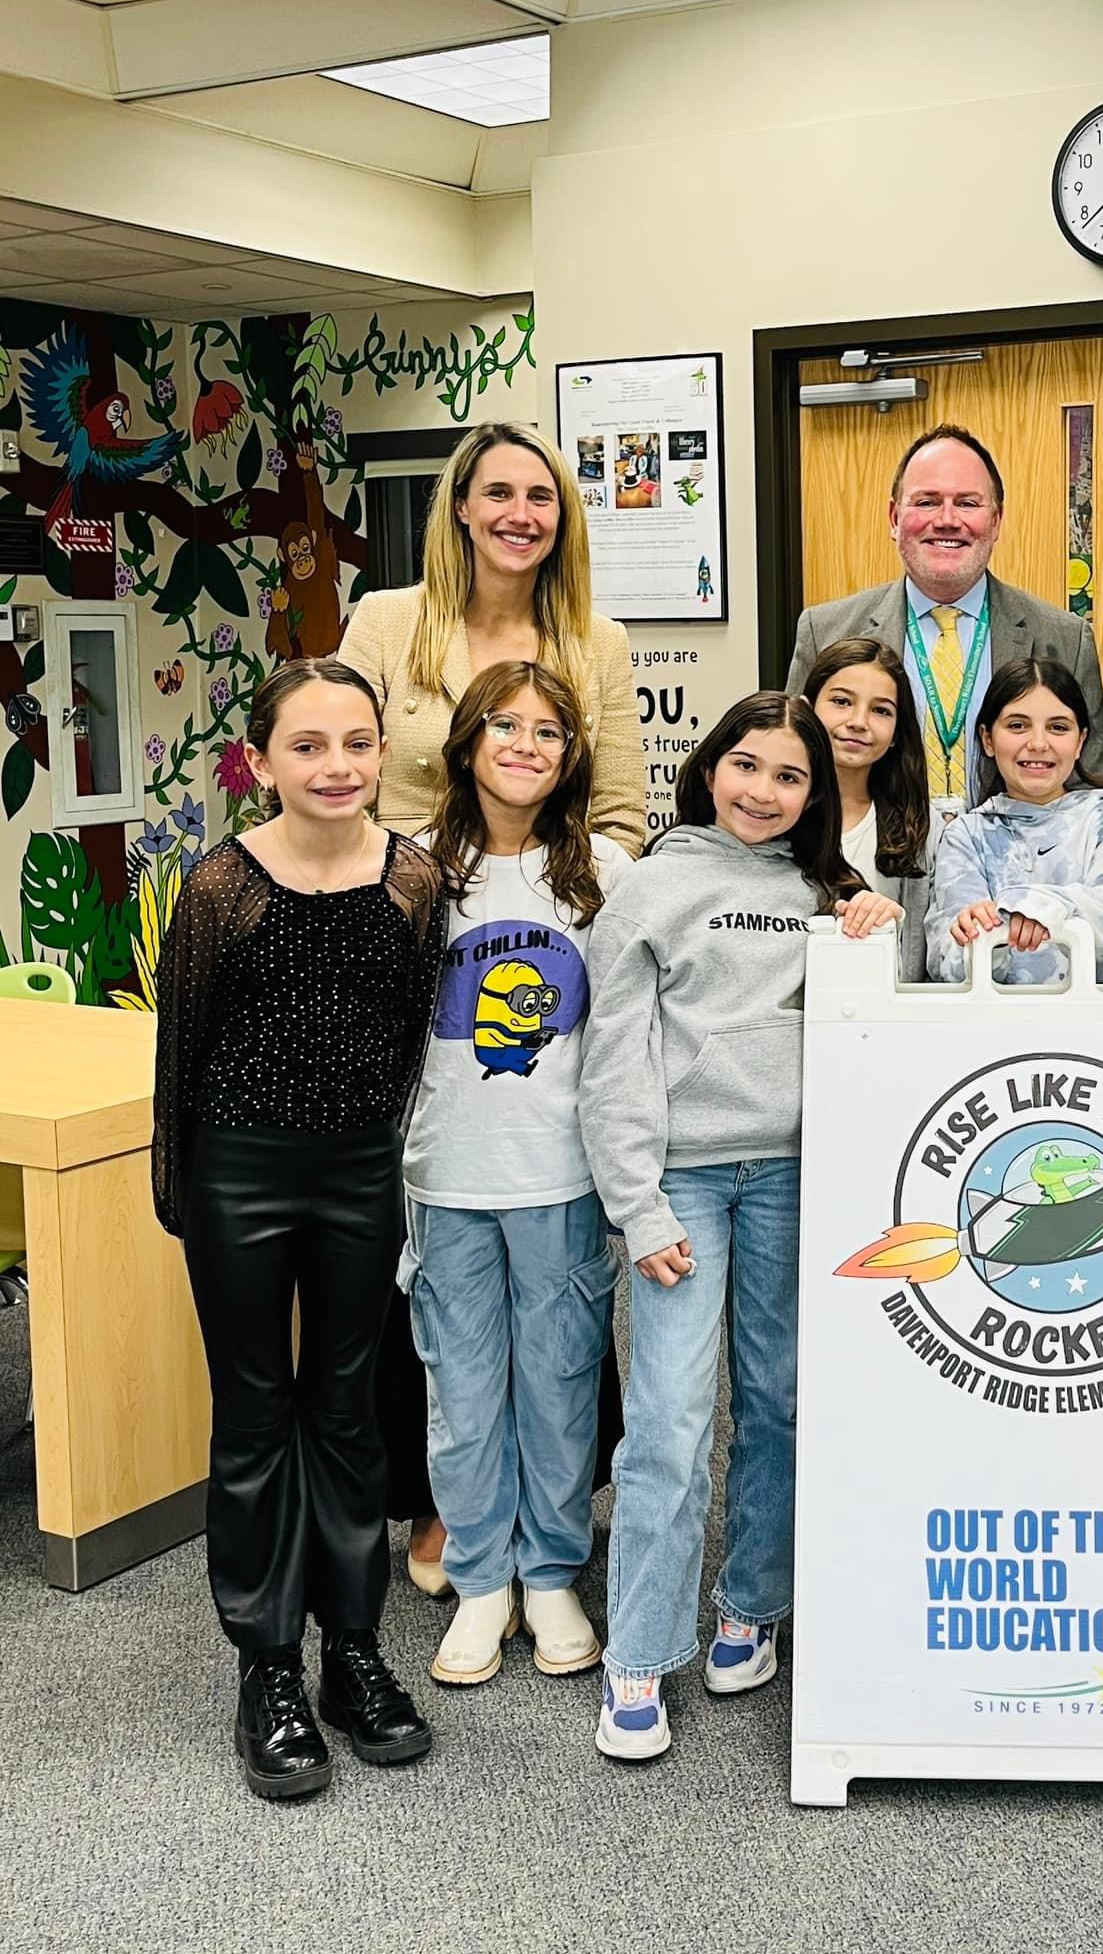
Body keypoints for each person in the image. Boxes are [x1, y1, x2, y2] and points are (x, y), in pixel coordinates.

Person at [340, 418, 645, 1597]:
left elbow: (617, 810)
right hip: (406, 935)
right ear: (460, 504)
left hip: (540, 942)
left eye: (542, 496)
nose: (521, 512)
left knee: (555, 1268)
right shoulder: (385, 619)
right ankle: (443, 1508)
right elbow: (352, 767)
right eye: (499, 492)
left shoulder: (594, 639)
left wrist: (553, 905)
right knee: (434, 1262)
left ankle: (553, 1523)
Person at [579, 693, 902, 1760]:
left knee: (780, 1399)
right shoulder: (650, 887)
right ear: (709, 765)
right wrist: (636, 1202)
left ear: (817, 793)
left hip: (798, 1181)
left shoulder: (832, 890)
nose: (763, 790)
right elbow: (612, 1057)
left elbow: (877, 1034)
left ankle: (749, 1605)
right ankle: (639, 1651)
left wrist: (874, 934)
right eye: (745, 765)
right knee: (668, 1421)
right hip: (684, 1183)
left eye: (789, 775)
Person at [151, 659, 442, 1801]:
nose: (336, 766)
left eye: (357, 742)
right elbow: (180, 1054)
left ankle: (351, 1653)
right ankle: (265, 1663)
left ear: (381, 753)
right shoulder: (222, 887)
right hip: (241, 1170)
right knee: (257, 1411)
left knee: (351, 1408)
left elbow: (409, 1035)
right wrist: (186, 1193)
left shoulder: (413, 880)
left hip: (359, 1171)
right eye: (309, 745)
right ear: (262, 762)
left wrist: (381, 1158)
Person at [401, 661, 630, 1687]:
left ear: (572, 752)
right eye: (506, 725)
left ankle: (549, 1573)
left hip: (563, 1175)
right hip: (446, 1172)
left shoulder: (603, 873)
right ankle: (482, 1574)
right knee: (461, 1388)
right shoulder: (411, 870)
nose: (527, 745)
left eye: (550, 730)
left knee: (558, 1380)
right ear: (466, 740)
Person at [784, 424, 1103, 811]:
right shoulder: (826, 632)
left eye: (968, 503)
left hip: (1014, 868)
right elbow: (794, 770)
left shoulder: (1066, 639)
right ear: (894, 517)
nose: (947, 520)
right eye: (927, 501)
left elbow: (1087, 790)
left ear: (996, 520)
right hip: (866, 865)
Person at [928, 656, 1103, 986]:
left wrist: (1039, 907)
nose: (1038, 743)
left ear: (1080, 742)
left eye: (1058, 727)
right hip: (993, 1027)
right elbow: (947, 961)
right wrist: (981, 940)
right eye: (1017, 725)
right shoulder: (965, 835)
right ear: (988, 739)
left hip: (1100, 1026)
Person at [801, 636, 932, 981]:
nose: (859, 721)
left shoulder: (921, 830)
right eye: (842, 702)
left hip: (883, 1021)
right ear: (805, 709)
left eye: (880, 710)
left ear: (896, 735)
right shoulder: (769, 816)